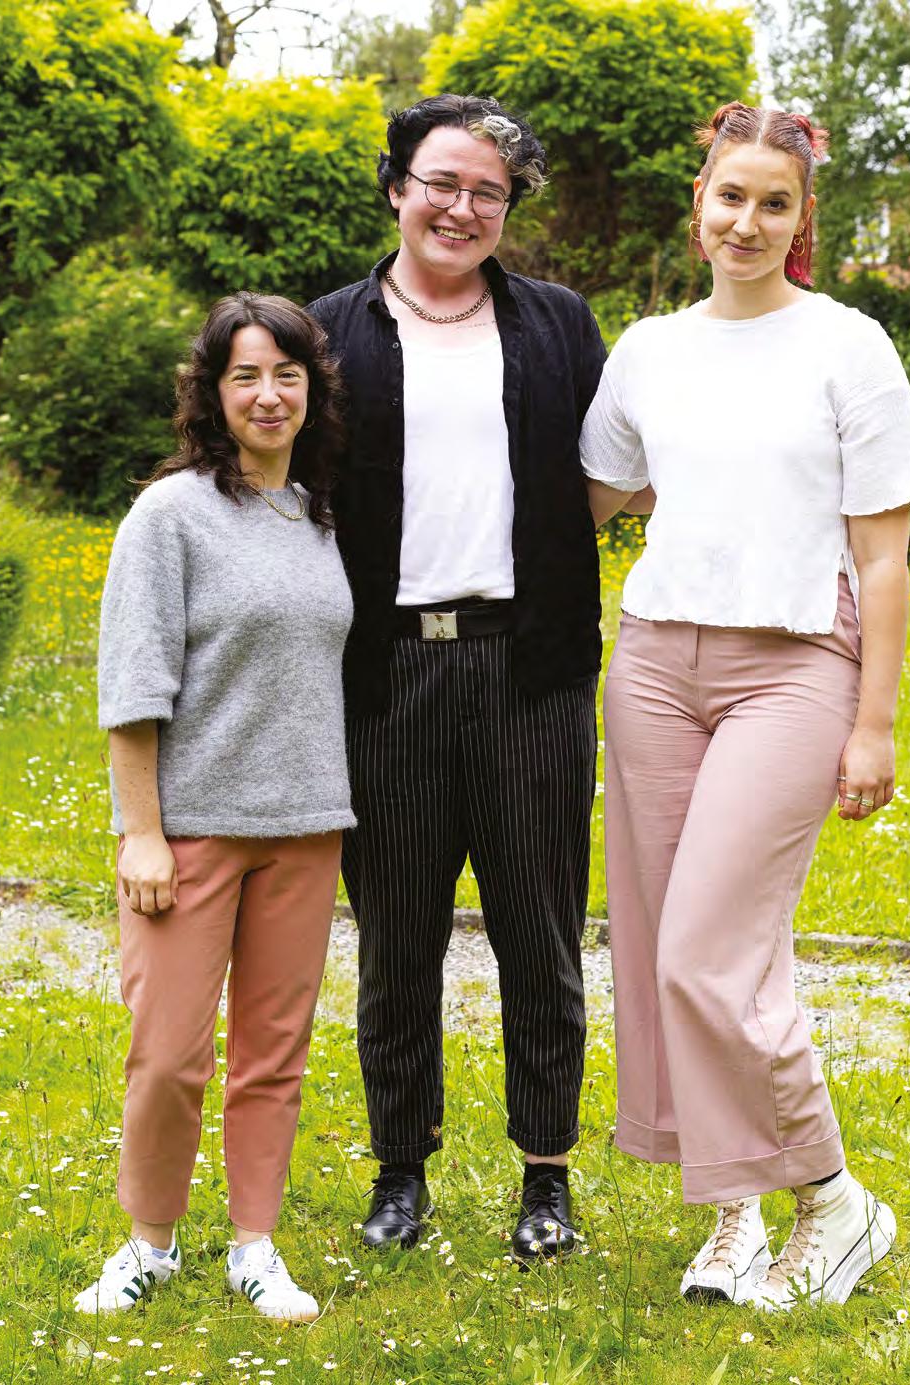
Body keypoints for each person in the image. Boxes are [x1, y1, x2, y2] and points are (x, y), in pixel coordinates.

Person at [582, 101, 910, 1309]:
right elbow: (593, 495)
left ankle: (834, 1200)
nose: (746, 221)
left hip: (792, 666)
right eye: (730, 196)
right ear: (699, 202)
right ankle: (731, 1211)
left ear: (800, 216)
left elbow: (880, 555)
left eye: (774, 202)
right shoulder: (647, 350)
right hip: (653, 665)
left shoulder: (847, 347)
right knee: (659, 946)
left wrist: (872, 723)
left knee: (707, 948)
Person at [306, 93, 607, 1261]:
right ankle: (399, 1169)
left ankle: (546, 1173)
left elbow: (619, 464)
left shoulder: (556, 324)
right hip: (383, 676)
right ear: (396, 187)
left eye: (488, 190)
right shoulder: (326, 331)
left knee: (540, 931)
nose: (462, 206)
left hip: (529, 669)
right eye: (441, 181)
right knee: (395, 938)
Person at [76, 294, 354, 1321]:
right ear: (212, 391)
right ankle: (148, 1242)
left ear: (310, 389)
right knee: (168, 1054)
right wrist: (141, 832)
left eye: (286, 374)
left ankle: (254, 1244)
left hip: (305, 825)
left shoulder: (320, 515)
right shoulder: (170, 514)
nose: (267, 395)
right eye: (245, 376)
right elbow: (132, 683)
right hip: (189, 830)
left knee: (272, 1056)